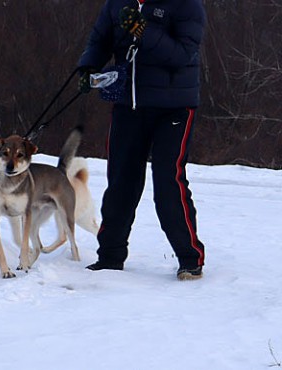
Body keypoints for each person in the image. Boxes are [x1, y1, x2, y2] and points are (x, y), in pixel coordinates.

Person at [78, 0, 206, 280]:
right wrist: (88, 66)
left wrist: (143, 30)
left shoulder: (187, 5)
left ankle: (190, 258)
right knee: (120, 181)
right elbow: (100, 39)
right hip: (129, 104)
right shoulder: (117, 4)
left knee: (167, 182)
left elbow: (183, 54)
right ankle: (110, 257)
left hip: (174, 107)